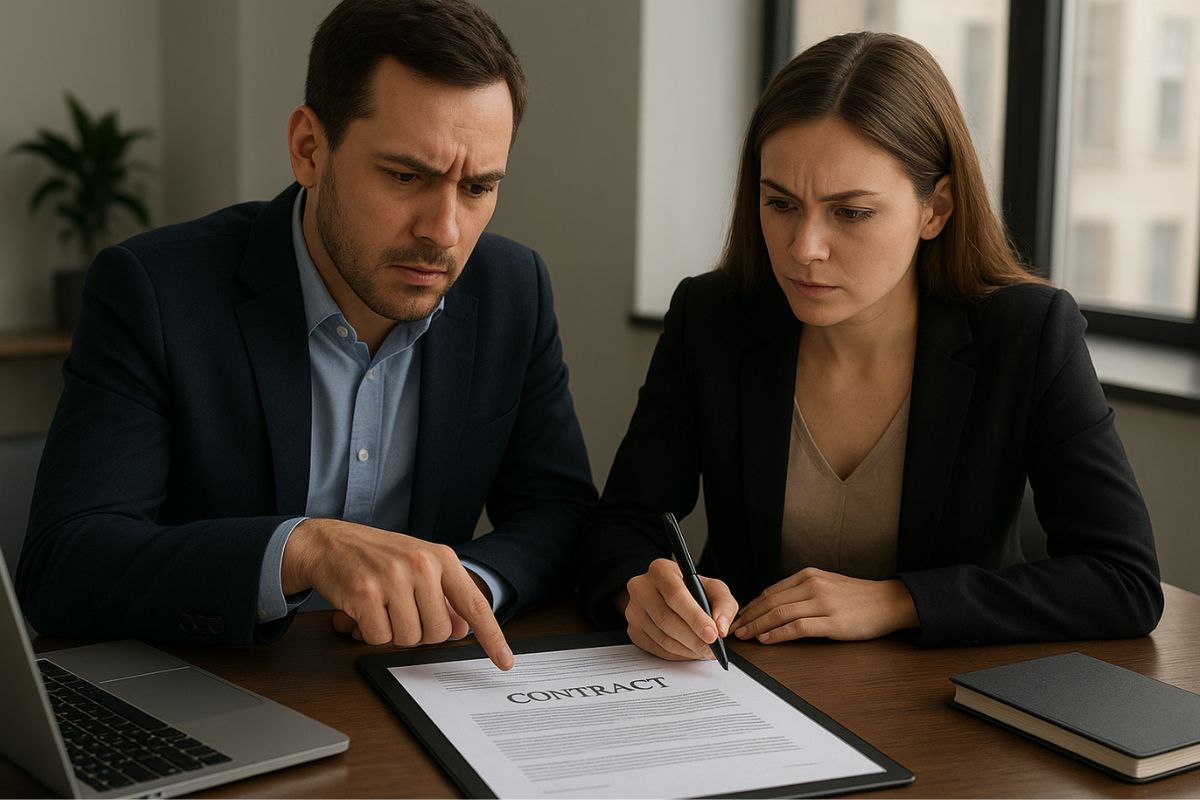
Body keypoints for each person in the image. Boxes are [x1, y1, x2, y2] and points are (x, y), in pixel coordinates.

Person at [17, 0, 596, 671]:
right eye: (406, 176)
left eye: (477, 187)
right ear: (309, 148)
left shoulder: (512, 290)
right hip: (213, 690)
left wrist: (462, 589)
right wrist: (300, 551)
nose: (444, 231)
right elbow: (65, 565)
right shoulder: (153, 290)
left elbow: (560, 513)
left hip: (417, 687)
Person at [577, 31, 1163, 662]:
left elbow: (1123, 580)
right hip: (744, 692)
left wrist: (897, 601)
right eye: (779, 203)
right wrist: (640, 592)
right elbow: (620, 529)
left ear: (935, 209)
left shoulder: (1029, 332)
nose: (805, 248)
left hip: (943, 708)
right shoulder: (712, 318)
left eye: (851, 212)